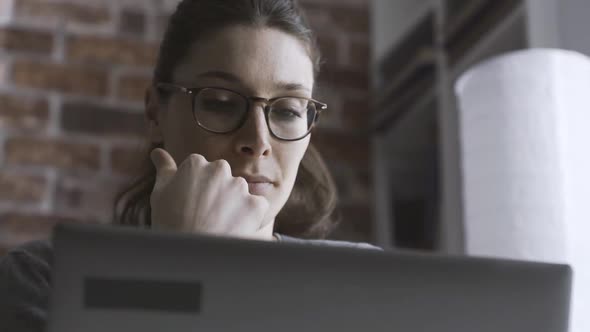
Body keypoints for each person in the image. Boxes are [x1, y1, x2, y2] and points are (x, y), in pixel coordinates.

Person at [0, 0, 380, 330]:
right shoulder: (47, 280)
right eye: (220, 102)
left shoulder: (368, 284)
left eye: (287, 110)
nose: (258, 141)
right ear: (155, 114)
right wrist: (185, 264)